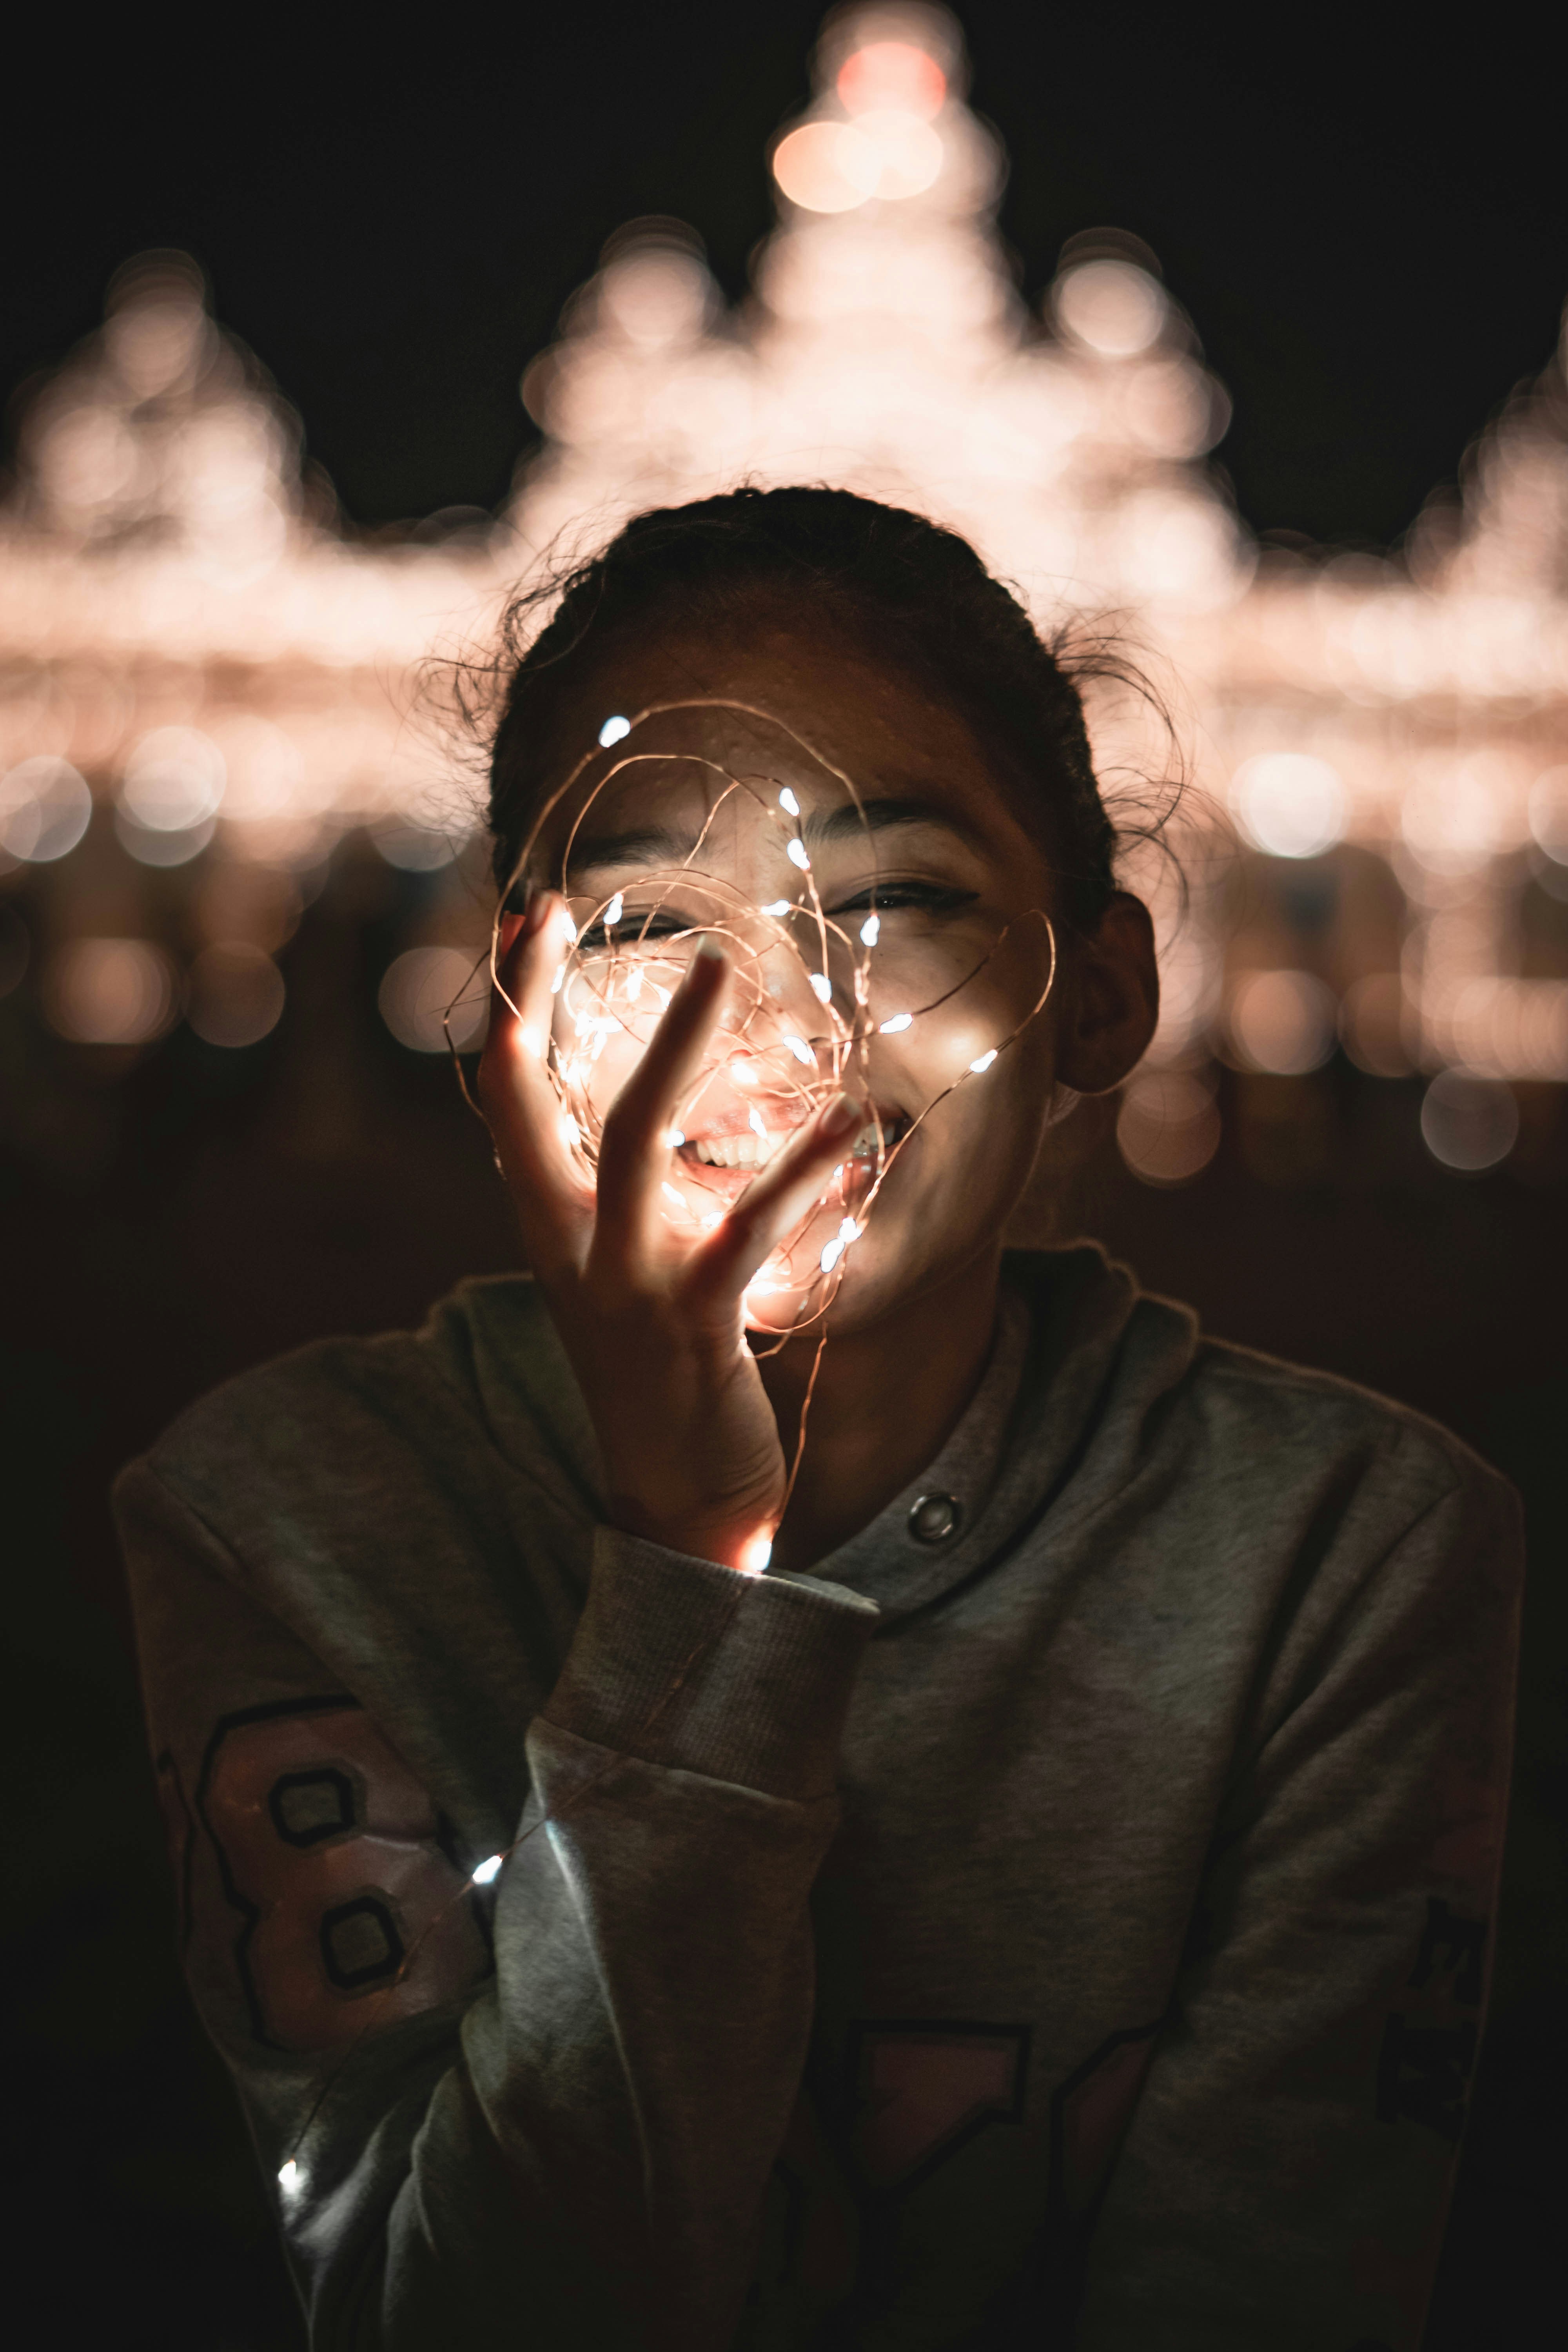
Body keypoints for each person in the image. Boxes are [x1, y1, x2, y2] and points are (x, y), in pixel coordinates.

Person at [116, 487, 1522, 2351]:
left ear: (1100, 993)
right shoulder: (286, 1519)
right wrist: (689, 1571)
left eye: (892, 903)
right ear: (506, 1004)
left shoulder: (1340, 1559)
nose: (774, 1021)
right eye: (643, 917)